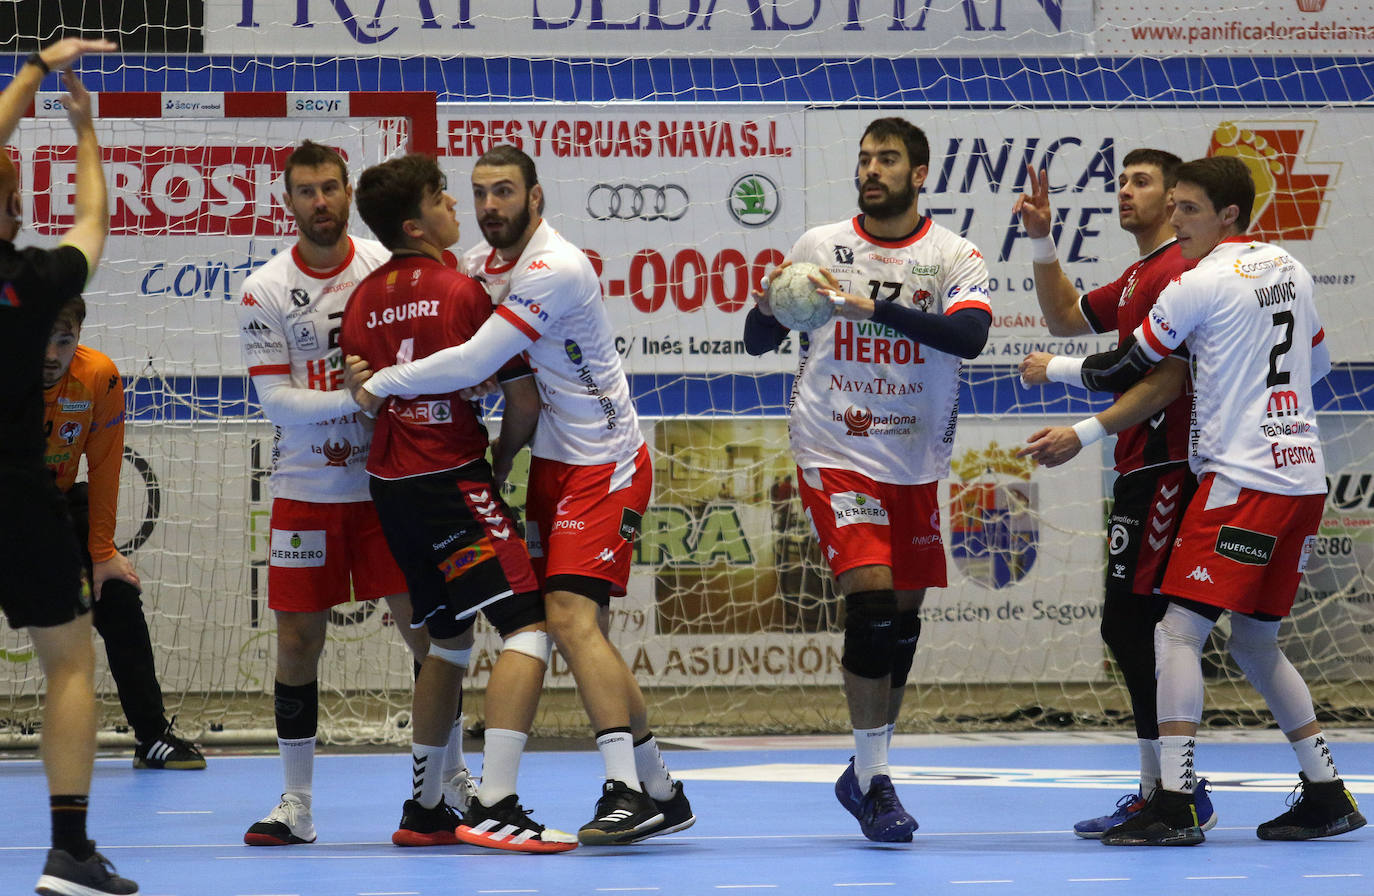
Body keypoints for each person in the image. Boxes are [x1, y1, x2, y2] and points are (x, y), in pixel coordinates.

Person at [345, 146, 693, 846]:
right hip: (550, 465)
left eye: (505, 192)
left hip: (606, 459)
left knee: (562, 619)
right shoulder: (474, 268)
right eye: (478, 194)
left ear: (536, 199)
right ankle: (659, 785)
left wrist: (375, 383)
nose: (488, 207)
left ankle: (624, 788)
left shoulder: (553, 267)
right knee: (563, 624)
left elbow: (475, 362)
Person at [1018, 156, 1365, 846]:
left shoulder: (1194, 283)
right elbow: (1319, 364)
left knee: (1176, 630)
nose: (1175, 221)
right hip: (1302, 482)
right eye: (1172, 206)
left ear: (1228, 215)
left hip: (1240, 487)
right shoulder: (1289, 268)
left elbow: (1123, 369)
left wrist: (1046, 369)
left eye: (1188, 209)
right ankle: (1327, 790)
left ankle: (1174, 802)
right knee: (1257, 644)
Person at [743, 117, 991, 842]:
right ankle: (877, 780)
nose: (871, 170)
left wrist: (873, 308)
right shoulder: (820, 247)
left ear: (920, 174)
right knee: (874, 601)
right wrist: (769, 302)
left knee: (901, 625)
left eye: (887, 159)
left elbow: (970, 338)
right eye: (864, 160)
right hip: (833, 444)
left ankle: (865, 768)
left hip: (914, 456)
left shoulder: (953, 255)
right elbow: (759, 341)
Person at [235, 140, 473, 847]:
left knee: (428, 637)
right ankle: (297, 805)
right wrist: (353, 397)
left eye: (331, 187)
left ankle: (447, 785)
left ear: (347, 193)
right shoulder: (264, 288)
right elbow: (277, 403)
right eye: (306, 190)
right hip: (305, 488)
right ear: (288, 201)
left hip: (387, 486)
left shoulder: (387, 268)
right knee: (298, 642)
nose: (321, 202)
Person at [341, 152, 575, 853]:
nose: (457, 208)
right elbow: (523, 399)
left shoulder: (361, 299)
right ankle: (497, 805)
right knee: (527, 625)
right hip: (451, 478)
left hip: (390, 486)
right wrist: (500, 463)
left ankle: (425, 808)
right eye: (446, 198)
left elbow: (363, 401)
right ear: (417, 224)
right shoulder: (460, 291)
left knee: (444, 642)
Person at [1013, 149, 1216, 837]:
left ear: (1176, 196)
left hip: (1170, 465)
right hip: (1141, 467)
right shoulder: (1138, 275)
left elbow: (1168, 378)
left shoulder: (1178, 272)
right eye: (1121, 181)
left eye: (1143, 182)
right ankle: (1164, 788)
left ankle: (1174, 793)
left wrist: (1084, 432)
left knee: (1143, 628)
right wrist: (1042, 237)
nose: (1126, 191)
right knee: (1133, 628)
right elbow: (1067, 317)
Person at [0, 36, 141, 896]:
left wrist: (30, 71)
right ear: (14, 203)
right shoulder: (36, 280)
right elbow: (95, 220)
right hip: (17, 495)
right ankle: (70, 853)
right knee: (70, 664)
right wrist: (83, 128)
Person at [43, 296, 206, 771]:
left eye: (64, 341)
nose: (51, 355)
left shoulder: (98, 378)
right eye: (40, 338)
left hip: (54, 503)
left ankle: (152, 736)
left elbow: (106, 467)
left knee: (115, 589)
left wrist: (101, 552)